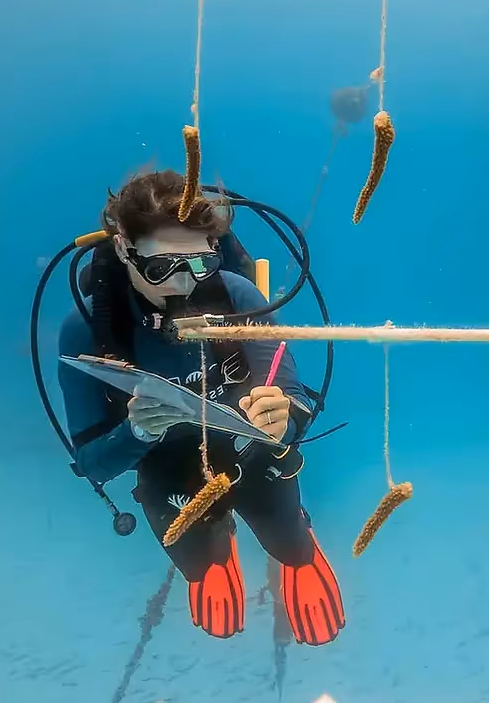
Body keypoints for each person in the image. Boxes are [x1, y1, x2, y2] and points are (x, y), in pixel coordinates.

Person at [57, 169, 345, 645]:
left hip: (247, 450)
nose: (181, 285)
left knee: (288, 540)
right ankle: (216, 552)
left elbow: (293, 399)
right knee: (197, 561)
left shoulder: (238, 295)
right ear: (125, 249)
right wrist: (138, 432)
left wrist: (282, 420)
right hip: (164, 467)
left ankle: (298, 553)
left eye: (198, 264)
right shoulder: (86, 329)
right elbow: (94, 465)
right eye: (159, 268)